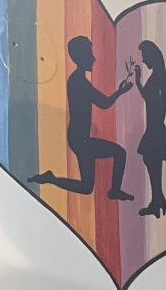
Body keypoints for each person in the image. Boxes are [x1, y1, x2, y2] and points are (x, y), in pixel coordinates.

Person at [29, 35, 133, 200]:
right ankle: (114, 190)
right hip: (80, 140)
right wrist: (120, 92)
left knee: (86, 187)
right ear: (81, 57)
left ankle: (51, 179)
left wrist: (119, 92)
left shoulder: (78, 80)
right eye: (89, 54)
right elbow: (104, 103)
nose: (93, 58)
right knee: (119, 153)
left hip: (79, 138)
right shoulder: (79, 82)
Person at [129, 40, 166, 218]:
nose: (143, 59)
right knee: (152, 163)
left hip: (155, 128)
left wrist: (139, 84)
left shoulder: (158, 79)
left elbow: (155, 104)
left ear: (152, 57)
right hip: (154, 127)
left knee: (152, 162)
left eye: (145, 56)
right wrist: (139, 83)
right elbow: (151, 99)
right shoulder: (158, 77)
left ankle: (158, 200)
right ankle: (158, 200)